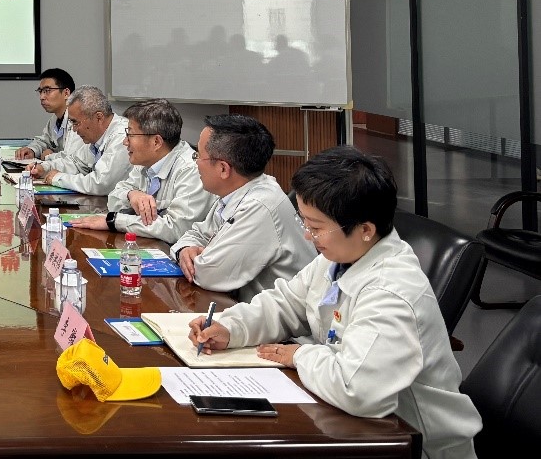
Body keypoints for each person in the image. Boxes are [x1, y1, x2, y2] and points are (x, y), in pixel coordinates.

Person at [189, 148, 481, 459]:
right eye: (305, 223)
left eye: (315, 228)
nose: (307, 236)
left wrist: (300, 355)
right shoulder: (341, 256)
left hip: (412, 444)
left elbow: (358, 391)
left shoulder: (391, 292)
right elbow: (287, 302)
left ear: (365, 230)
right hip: (349, 421)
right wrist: (231, 327)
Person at [169, 114, 314, 300]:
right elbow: (195, 234)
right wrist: (185, 249)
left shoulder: (260, 205)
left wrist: (196, 257)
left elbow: (210, 274)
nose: (195, 162)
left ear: (223, 169)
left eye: (198, 155)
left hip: (278, 315)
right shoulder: (238, 192)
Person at [71, 98, 209, 242]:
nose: (125, 142)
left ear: (156, 142)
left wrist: (114, 221)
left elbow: (175, 229)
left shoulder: (191, 170)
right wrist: (132, 194)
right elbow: (113, 199)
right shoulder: (145, 162)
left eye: (130, 135)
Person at [27, 86, 130, 196]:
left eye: (76, 123)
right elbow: (76, 163)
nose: (74, 129)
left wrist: (59, 178)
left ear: (99, 118)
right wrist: (44, 168)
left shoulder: (122, 137)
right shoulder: (97, 137)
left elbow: (101, 183)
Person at [14, 68, 78, 160]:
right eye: (40, 91)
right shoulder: (55, 119)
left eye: (47, 91)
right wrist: (32, 150)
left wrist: (50, 156)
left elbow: (72, 158)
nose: (42, 97)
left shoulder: (77, 120)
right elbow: (44, 141)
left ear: (66, 93)